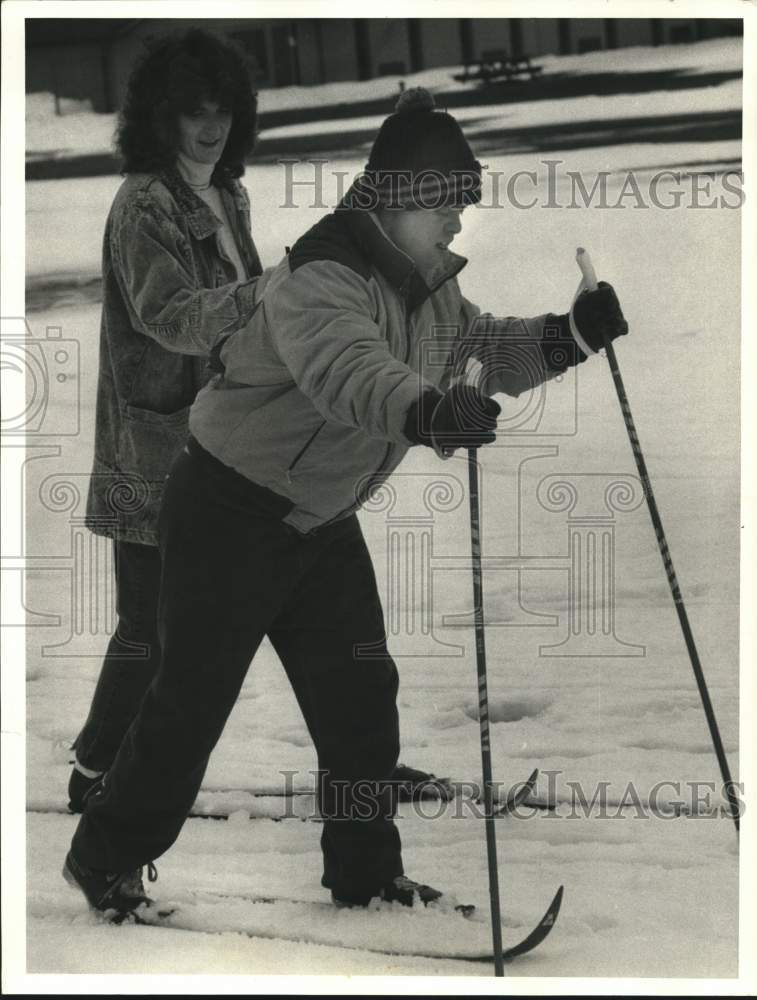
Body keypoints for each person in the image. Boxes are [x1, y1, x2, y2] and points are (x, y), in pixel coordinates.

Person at [64, 87, 629, 919]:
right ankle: (103, 858)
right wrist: (428, 413)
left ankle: (365, 876)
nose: (457, 221)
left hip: (318, 522)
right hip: (229, 513)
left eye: (462, 202)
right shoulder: (319, 278)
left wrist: (567, 335)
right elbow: (350, 373)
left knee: (360, 704)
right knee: (189, 707)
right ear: (397, 198)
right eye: (444, 202)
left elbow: (472, 345)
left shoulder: (426, 285)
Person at [69, 31, 446, 816]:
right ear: (159, 116)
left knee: (315, 621)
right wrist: (274, 292)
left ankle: (358, 764)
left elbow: (268, 289)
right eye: (191, 113)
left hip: (240, 437)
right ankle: (98, 768)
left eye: (222, 111)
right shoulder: (144, 204)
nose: (209, 127)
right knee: (153, 627)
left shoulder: (225, 190)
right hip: (157, 447)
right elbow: (168, 318)